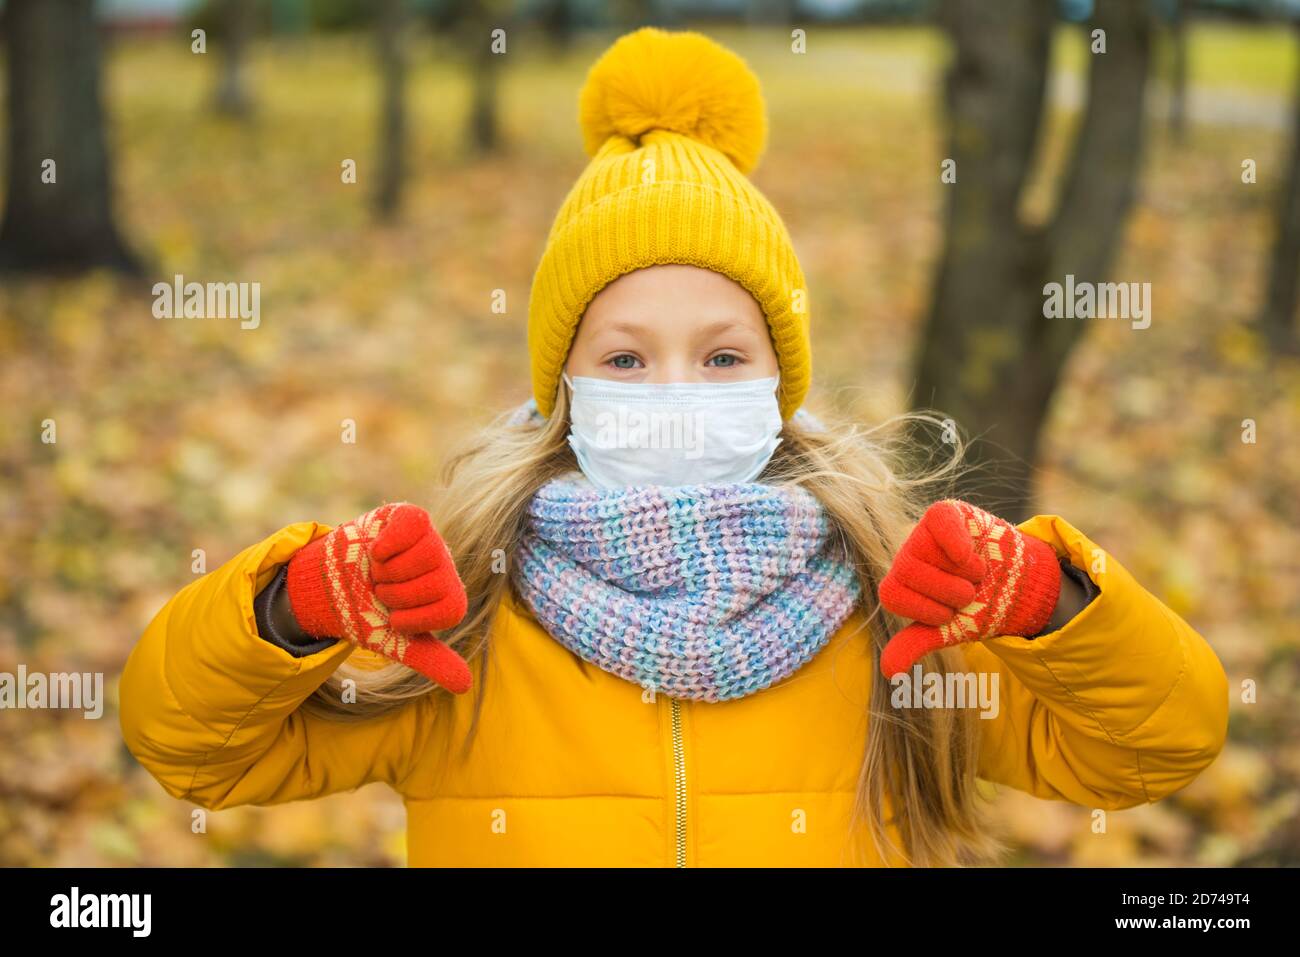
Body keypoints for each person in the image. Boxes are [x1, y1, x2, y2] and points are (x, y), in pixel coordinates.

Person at [119, 27, 1228, 867]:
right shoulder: (460, 605)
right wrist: (284, 613)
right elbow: (193, 750)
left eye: (722, 357)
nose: (676, 392)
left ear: (780, 384)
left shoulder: (897, 605)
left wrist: (1057, 608)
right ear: (562, 386)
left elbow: (1156, 747)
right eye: (626, 358)